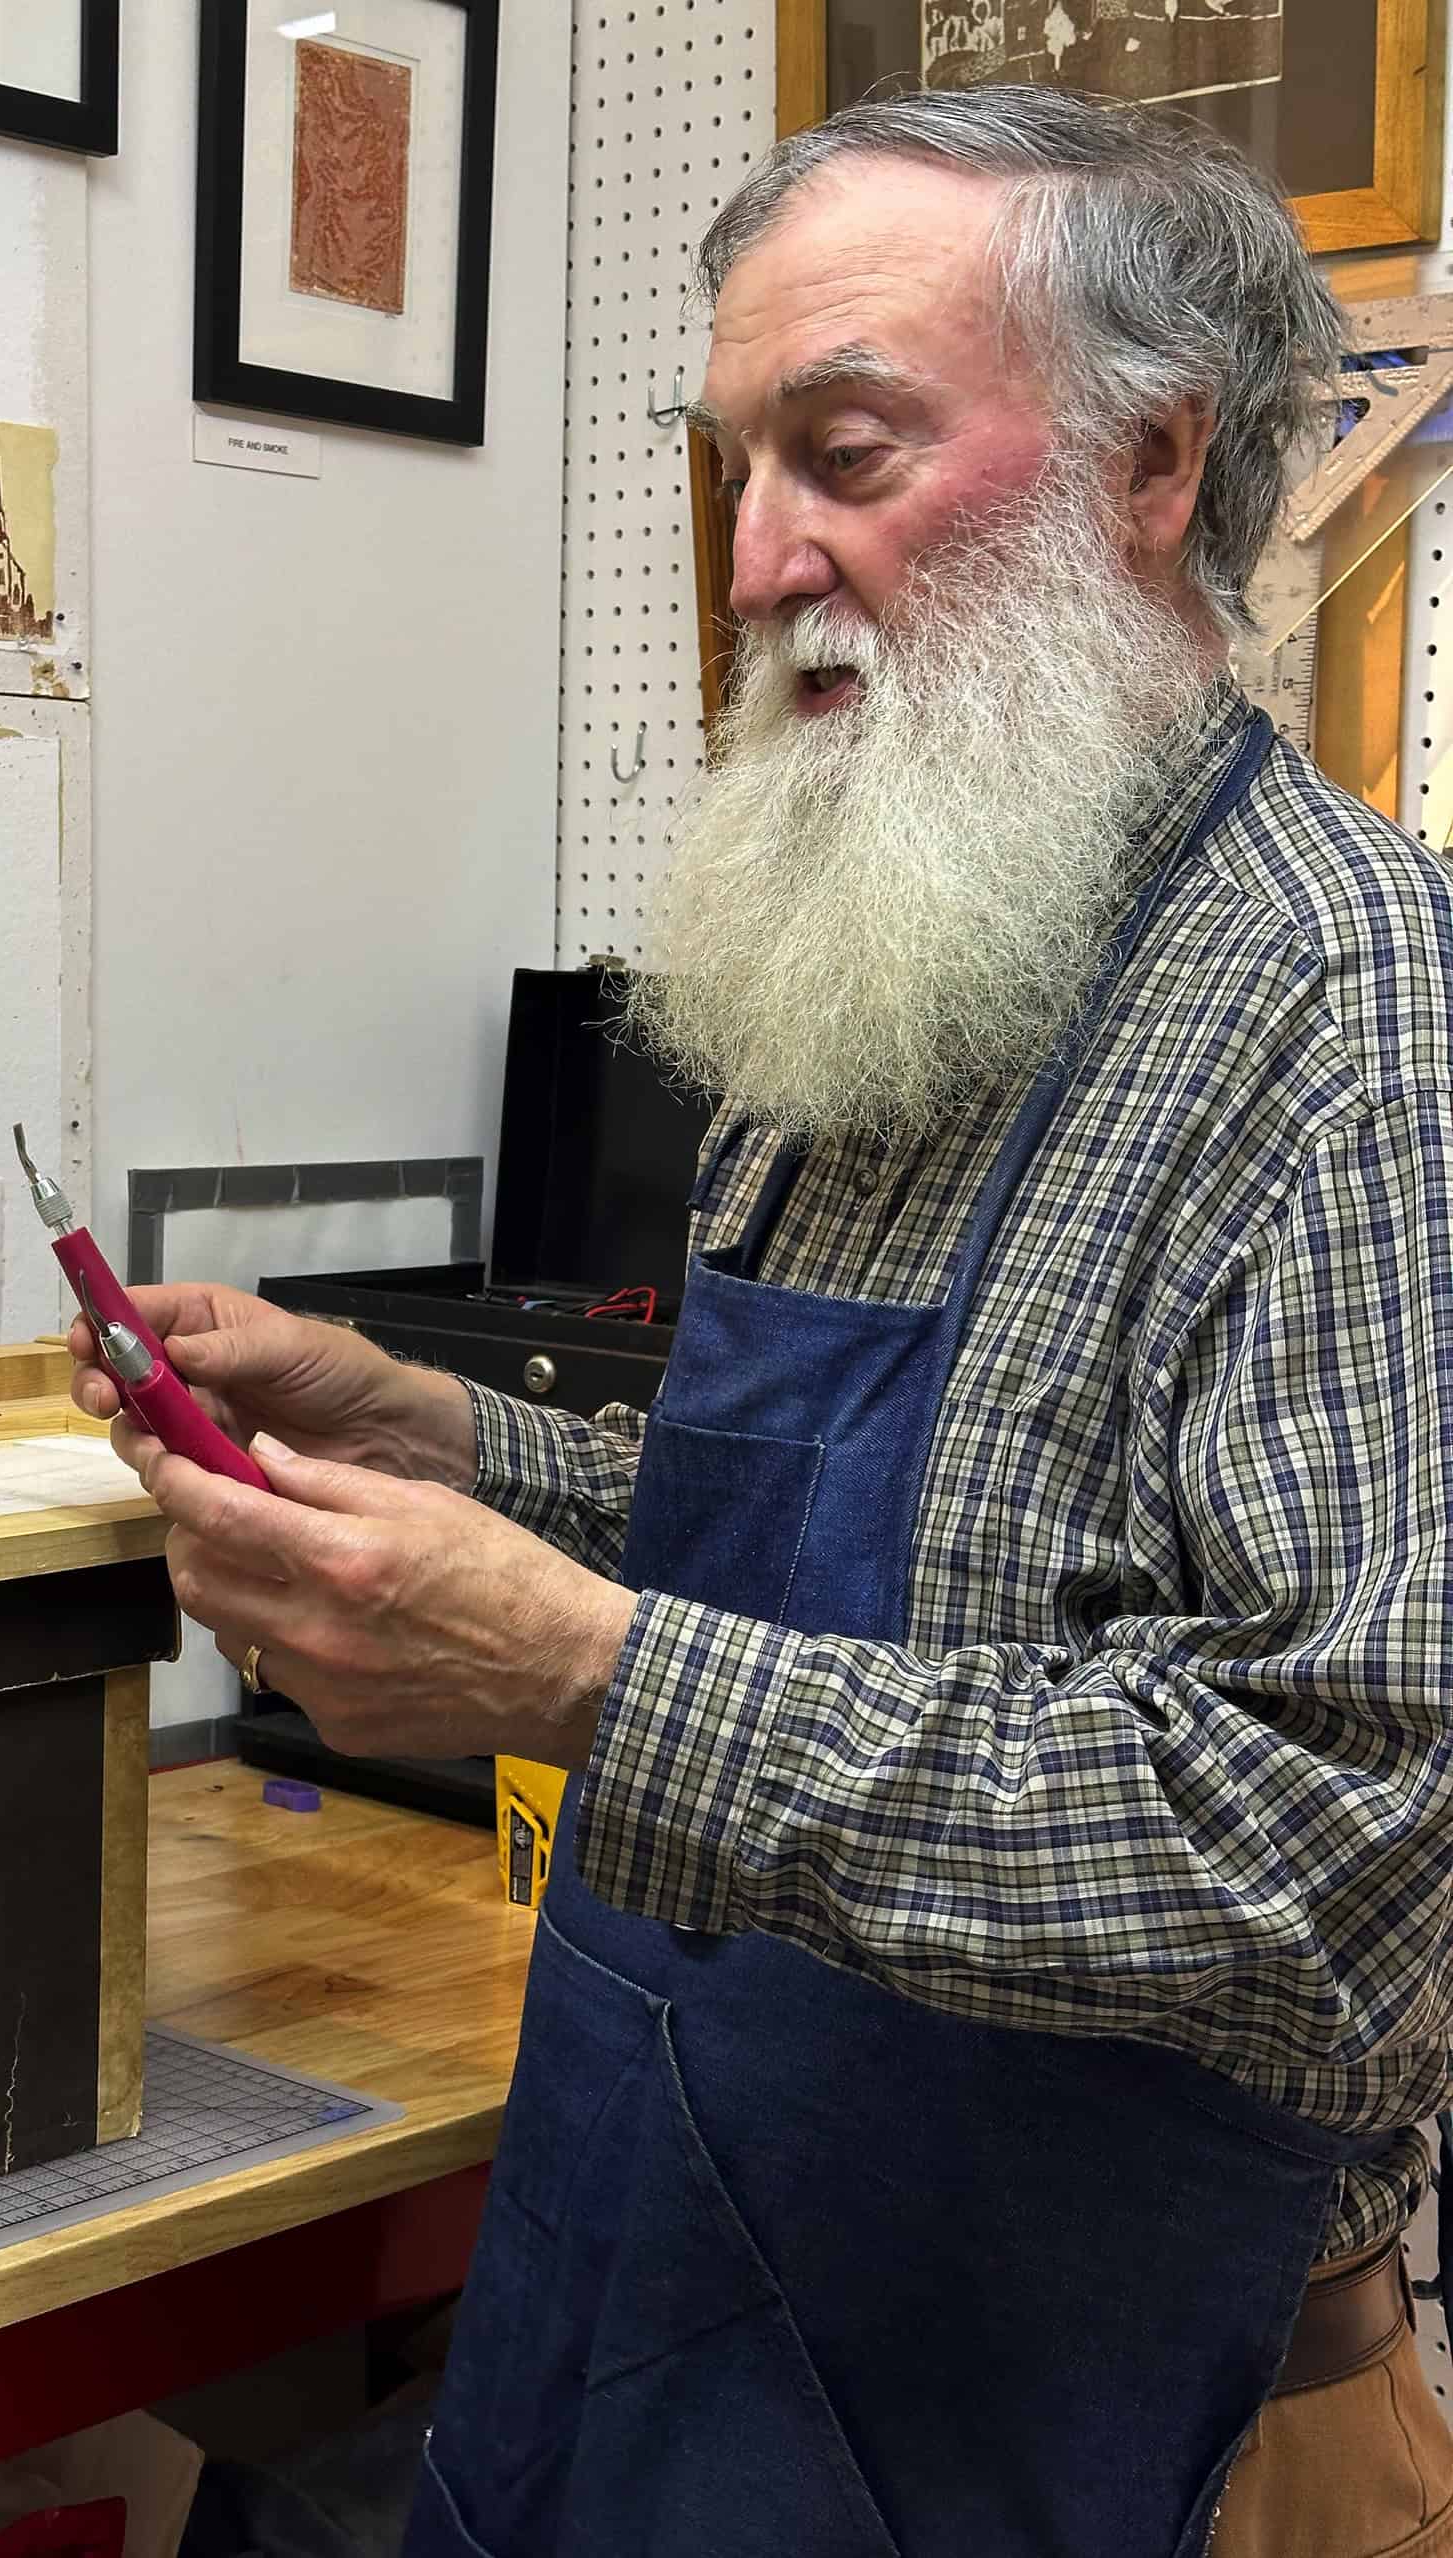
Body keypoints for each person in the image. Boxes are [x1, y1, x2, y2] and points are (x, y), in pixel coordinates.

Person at [76, 87, 1453, 2558]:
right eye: (733, 469)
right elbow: (839, 1550)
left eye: (843, 450)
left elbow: (1328, 1851)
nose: (757, 558)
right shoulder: (876, 951)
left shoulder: (1346, 1008)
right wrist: (449, 1440)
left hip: (1062, 2405)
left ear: (1155, 462)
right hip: (662, 2281)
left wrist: (592, 1681)